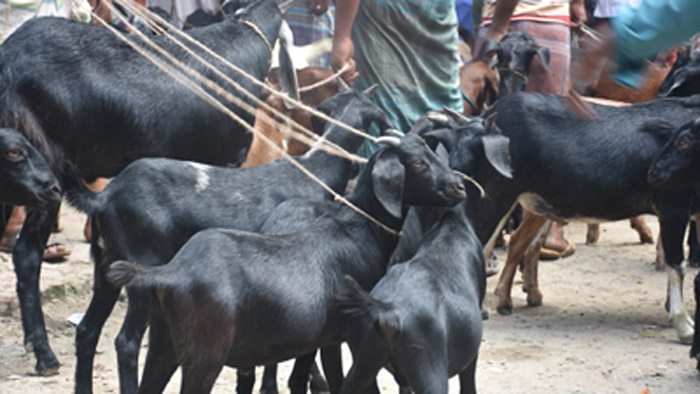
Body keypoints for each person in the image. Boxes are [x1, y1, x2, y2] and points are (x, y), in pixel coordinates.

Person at [477, 0, 586, 260]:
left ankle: (489, 226)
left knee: (493, 131)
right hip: (549, 21)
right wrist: (578, 6)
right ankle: (550, 231)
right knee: (552, 131)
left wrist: (499, 24)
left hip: (505, 19)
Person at [330, 0, 463, 158]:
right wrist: (342, 36)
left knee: (442, 119)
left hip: (431, 18)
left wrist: (342, 36)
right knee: (386, 118)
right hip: (390, 19)